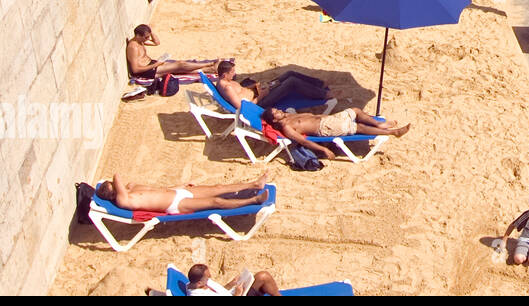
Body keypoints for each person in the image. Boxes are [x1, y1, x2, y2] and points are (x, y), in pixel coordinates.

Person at [263, 106, 410, 161]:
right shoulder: (287, 128)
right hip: (326, 128)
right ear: (274, 120)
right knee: (357, 127)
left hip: (329, 119)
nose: (279, 111)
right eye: (276, 113)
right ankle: (394, 132)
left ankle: (380, 124)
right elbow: (304, 142)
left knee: (356, 111)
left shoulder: (288, 116)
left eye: (277, 109)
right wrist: (324, 149)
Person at [95, 172, 269, 215]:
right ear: (114, 193)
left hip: (176, 192)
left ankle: (255, 183)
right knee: (216, 201)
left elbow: (157, 191)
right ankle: (254, 200)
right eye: (115, 188)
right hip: (175, 205)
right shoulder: (123, 200)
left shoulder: (132, 188)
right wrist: (113, 185)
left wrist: (180, 185)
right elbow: (116, 175)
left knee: (217, 187)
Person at [213, 59, 331, 111]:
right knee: (292, 82)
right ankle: (324, 94)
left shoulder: (225, 81)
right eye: (232, 72)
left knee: (289, 73)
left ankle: (319, 84)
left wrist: (256, 87)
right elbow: (242, 107)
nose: (234, 74)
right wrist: (262, 96)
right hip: (259, 103)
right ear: (224, 75)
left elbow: (241, 90)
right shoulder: (227, 88)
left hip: (257, 92)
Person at [126, 24, 222, 81]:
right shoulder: (133, 47)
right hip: (147, 70)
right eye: (146, 37)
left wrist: (151, 31)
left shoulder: (140, 41)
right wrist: (156, 65)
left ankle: (211, 69)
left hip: (152, 65)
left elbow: (156, 43)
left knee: (178, 68)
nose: (148, 39)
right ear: (138, 35)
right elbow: (135, 70)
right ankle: (210, 64)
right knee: (180, 64)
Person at [185, 262, 281, 296]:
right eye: (208, 277)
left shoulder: (195, 284)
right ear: (199, 283)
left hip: (233, 292)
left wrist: (231, 284)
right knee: (264, 277)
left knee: (260, 276)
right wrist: (238, 294)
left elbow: (218, 293)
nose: (210, 278)